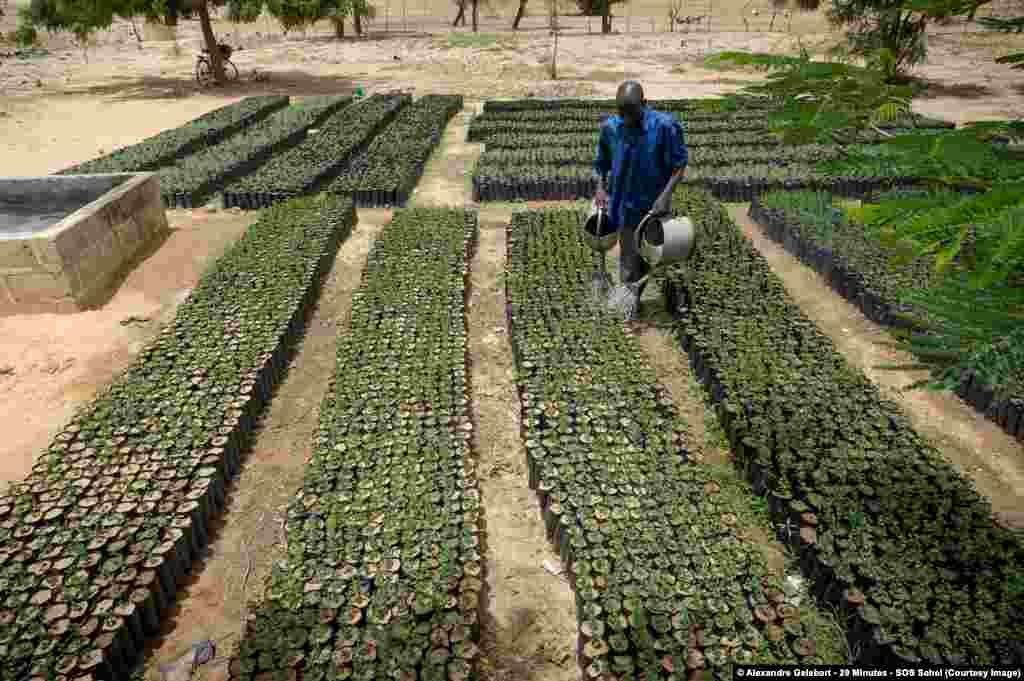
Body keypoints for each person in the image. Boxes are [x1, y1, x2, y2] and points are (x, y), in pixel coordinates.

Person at [593, 81, 689, 311]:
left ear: (644, 104)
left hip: (652, 207)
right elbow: (602, 163)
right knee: (628, 259)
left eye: (632, 112)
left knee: (650, 256)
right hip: (624, 205)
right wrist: (600, 187)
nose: (626, 119)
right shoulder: (611, 129)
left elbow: (679, 165)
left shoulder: (665, 127)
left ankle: (636, 295)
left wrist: (666, 195)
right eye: (621, 112)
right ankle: (630, 307)